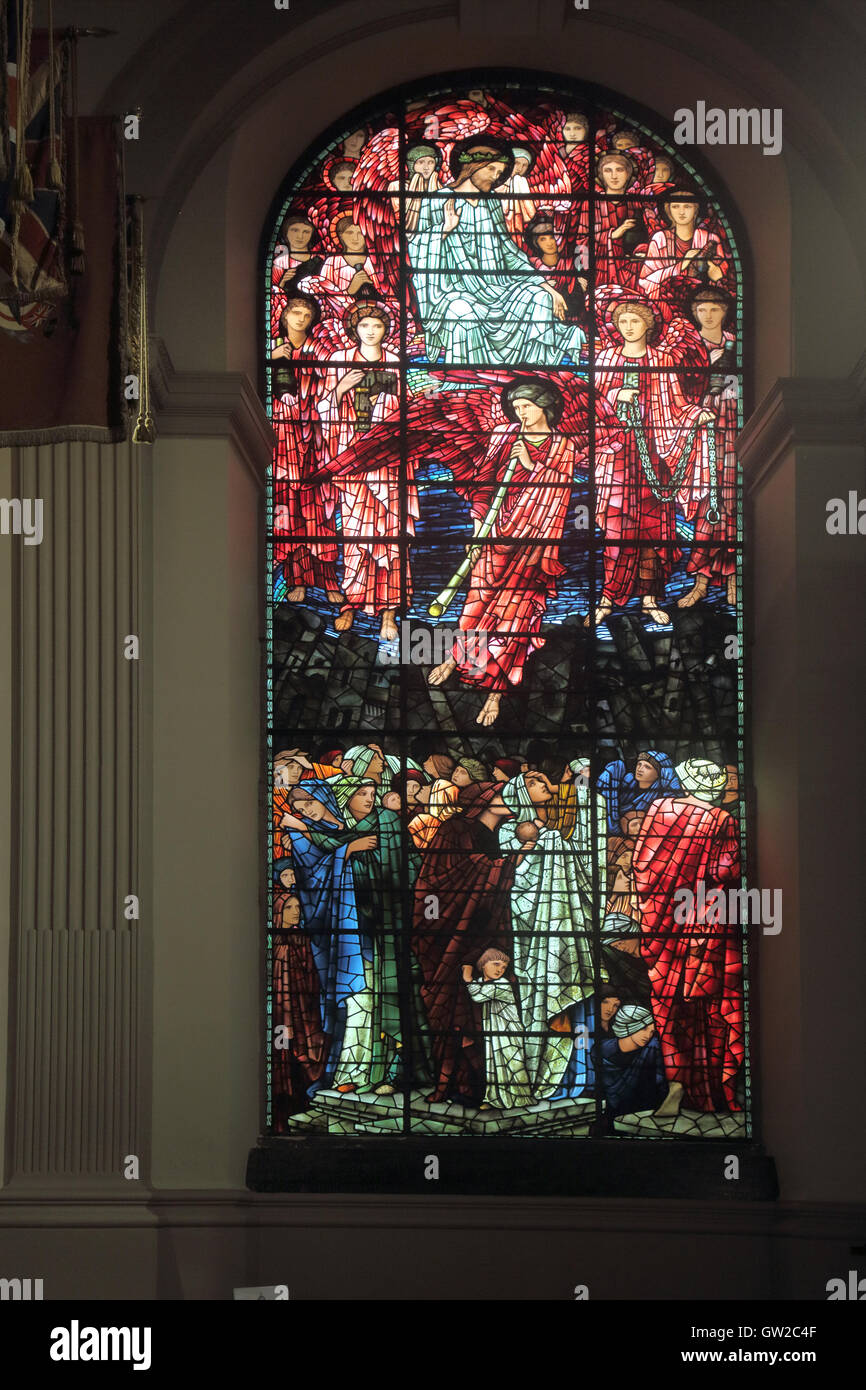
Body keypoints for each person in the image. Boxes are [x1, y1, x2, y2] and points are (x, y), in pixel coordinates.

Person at [427, 379, 584, 725]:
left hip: (533, 543)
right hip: (496, 532)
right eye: (516, 407)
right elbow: (483, 482)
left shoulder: (563, 446)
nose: (520, 412)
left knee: (516, 615)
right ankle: (455, 658)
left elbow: (560, 494)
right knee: (476, 602)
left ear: (544, 406)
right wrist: (477, 524)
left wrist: (530, 465)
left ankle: (496, 694)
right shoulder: (504, 434)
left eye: (526, 406)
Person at [590, 295, 715, 626]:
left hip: (655, 456)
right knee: (617, 525)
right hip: (615, 454)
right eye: (622, 323)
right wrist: (616, 395)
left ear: (648, 324)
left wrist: (696, 415)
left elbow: (677, 405)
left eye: (634, 321)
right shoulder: (605, 359)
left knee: (653, 527)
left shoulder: (662, 360)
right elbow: (594, 405)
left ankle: (649, 598)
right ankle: (608, 597)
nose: (628, 328)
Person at [407, 134, 584, 364]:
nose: (496, 176)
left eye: (499, 172)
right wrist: (443, 231)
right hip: (453, 291)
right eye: (491, 169)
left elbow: (508, 251)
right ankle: (466, 380)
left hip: (499, 288)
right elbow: (416, 249)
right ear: (472, 166)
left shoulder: (491, 201)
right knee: (460, 311)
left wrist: (547, 287)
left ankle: (533, 369)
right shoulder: (437, 200)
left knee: (540, 297)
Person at [632, 758, 745, 1114]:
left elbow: (642, 865)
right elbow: (725, 872)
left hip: (662, 926)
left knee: (668, 1006)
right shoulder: (721, 819)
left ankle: (676, 1084)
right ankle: (711, 1088)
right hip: (705, 926)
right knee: (707, 1006)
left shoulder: (658, 808)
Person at [497, 770, 601, 1100]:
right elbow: (511, 878)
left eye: (545, 780)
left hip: (561, 929)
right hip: (526, 933)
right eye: (535, 782)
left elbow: (589, 822)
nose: (545, 785)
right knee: (534, 999)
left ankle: (573, 1076)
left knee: (567, 1003)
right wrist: (528, 846)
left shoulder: (559, 832)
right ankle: (533, 1073)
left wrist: (576, 784)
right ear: (520, 793)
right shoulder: (508, 832)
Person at [411, 785, 516, 1105]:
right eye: (500, 795)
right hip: (448, 935)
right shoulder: (455, 828)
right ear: (482, 802)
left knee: (478, 1014)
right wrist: (509, 862)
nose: (507, 800)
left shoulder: (502, 835)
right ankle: (449, 1084)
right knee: (451, 1012)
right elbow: (442, 877)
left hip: (486, 935)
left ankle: (480, 1088)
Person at [317, 303, 413, 642]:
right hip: (353, 459)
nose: (371, 330)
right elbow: (322, 409)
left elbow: (406, 411)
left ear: (386, 330)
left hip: (387, 462)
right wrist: (340, 389)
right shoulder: (338, 359)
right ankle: (353, 602)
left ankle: (389, 612)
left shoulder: (396, 363)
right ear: (354, 329)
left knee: (390, 538)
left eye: (377, 325)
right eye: (364, 325)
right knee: (358, 536)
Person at [282, 780, 373, 1092]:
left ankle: (373, 1071)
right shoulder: (301, 833)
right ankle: (346, 1072)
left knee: (371, 996)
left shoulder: (348, 823)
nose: (306, 810)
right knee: (352, 999)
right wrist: (347, 850)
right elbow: (312, 875)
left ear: (323, 796)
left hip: (369, 923)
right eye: (299, 808)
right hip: (335, 930)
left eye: (308, 802)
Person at [271, 292, 343, 606]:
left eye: (306, 314)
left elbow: (330, 390)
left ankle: (329, 579)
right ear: (283, 316)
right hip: (284, 441)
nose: (300, 318)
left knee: (320, 510)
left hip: (315, 438)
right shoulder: (270, 352)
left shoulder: (319, 351)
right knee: (289, 510)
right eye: (295, 312)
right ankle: (296, 578)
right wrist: (273, 360)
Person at [678, 286, 739, 609]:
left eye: (715, 308)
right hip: (701, 428)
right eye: (702, 309)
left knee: (732, 503)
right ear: (695, 313)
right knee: (707, 505)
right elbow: (679, 390)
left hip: (733, 426)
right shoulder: (689, 347)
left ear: (725, 311)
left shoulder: (738, 344)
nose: (709, 314)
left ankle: (733, 580)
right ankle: (700, 582)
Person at [463, 949, 533, 1110]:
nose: (500, 970)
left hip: (509, 1031)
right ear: (482, 964)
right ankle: (494, 1098)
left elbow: (477, 996)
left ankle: (520, 1098)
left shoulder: (502, 984)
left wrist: (467, 978)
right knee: (493, 1064)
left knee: (513, 1064)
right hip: (494, 1030)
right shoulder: (483, 982)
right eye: (496, 964)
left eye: (503, 967)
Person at [639, 188, 729, 300]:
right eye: (675, 206)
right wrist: (682, 264)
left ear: (696, 210)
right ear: (669, 210)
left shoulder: (710, 239)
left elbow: (723, 279)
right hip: (666, 301)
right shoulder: (660, 239)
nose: (681, 212)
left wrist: (713, 271)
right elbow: (645, 280)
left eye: (687, 206)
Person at [596, 1003, 667, 1119]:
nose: (648, 1035)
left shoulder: (652, 1050)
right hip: (609, 1116)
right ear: (629, 1026)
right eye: (644, 1028)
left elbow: (661, 1084)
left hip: (644, 1114)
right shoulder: (601, 1050)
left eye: (652, 1031)